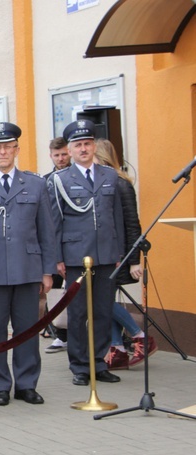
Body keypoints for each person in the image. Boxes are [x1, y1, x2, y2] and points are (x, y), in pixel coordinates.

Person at [0, 122, 55, 406]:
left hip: (27, 269)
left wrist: (48, 270)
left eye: (8, 146)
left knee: (27, 331)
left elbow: (47, 230)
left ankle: (27, 384)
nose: (3, 152)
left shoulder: (35, 183)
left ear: (17, 150)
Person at [47, 120, 125, 386]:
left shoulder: (110, 175)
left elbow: (117, 218)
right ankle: (80, 366)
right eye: (78, 145)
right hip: (76, 256)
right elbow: (54, 222)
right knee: (78, 314)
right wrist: (57, 258)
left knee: (103, 311)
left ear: (94, 146)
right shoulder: (60, 179)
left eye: (87, 143)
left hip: (105, 255)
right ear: (69, 149)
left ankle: (99, 362)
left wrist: (120, 252)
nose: (83, 149)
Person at [94, 138, 156, 370]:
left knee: (102, 301)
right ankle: (117, 348)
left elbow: (132, 224)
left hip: (119, 254)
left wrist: (133, 261)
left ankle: (140, 336)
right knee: (103, 300)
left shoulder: (120, 183)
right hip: (105, 253)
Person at [44, 137, 72, 354]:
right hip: (53, 245)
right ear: (51, 156)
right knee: (55, 290)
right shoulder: (45, 181)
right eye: (57, 155)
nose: (61, 159)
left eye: (64, 154)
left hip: (73, 244)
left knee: (74, 292)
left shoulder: (75, 177)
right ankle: (60, 333)